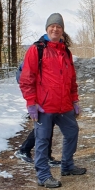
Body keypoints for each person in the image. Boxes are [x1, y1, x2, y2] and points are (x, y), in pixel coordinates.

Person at [19, 13, 86, 188]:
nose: (55, 29)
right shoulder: (37, 50)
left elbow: (71, 79)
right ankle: (43, 175)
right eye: (52, 26)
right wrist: (31, 103)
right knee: (42, 141)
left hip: (64, 106)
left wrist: (75, 101)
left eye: (59, 26)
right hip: (44, 106)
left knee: (72, 132)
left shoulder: (66, 52)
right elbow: (27, 78)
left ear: (62, 30)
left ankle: (67, 165)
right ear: (47, 28)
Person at [14, 34, 60, 166]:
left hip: (48, 96)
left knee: (46, 125)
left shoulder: (49, 52)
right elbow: (25, 77)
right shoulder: (38, 51)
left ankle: (38, 153)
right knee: (44, 126)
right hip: (40, 97)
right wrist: (32, 99)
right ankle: (26, 150)